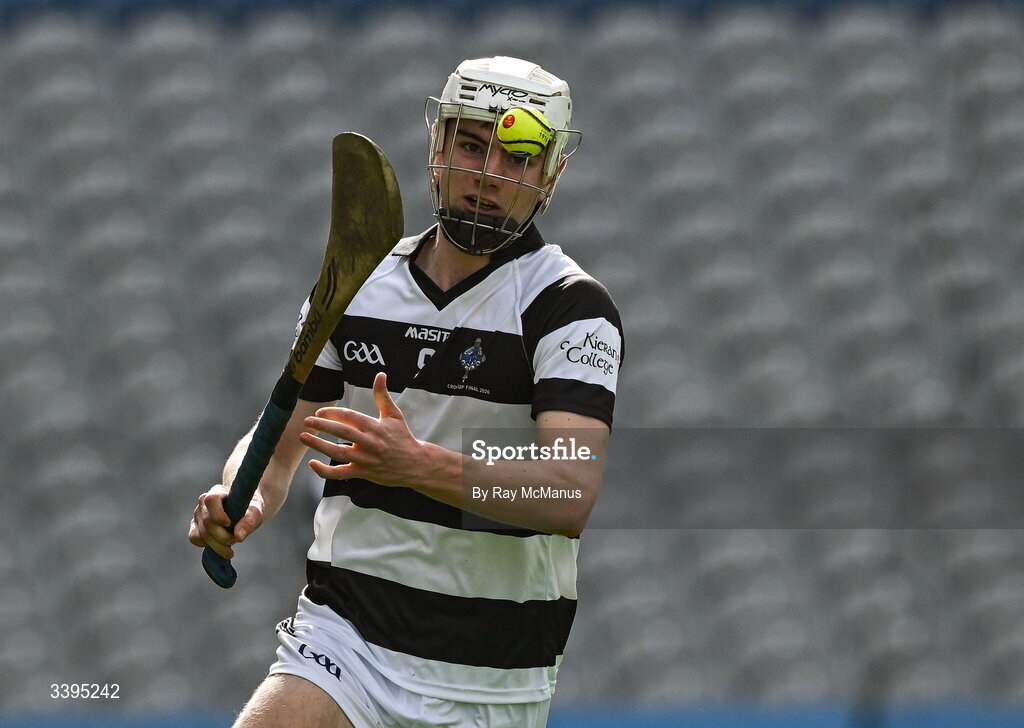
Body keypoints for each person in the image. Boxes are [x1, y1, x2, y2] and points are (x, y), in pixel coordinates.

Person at [189, 56, 624, 728]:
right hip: (343, 642)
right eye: (472, 146)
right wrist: (238, 496)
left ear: (550, 174)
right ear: (437, 145)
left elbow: (568, 492)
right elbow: (276, 450)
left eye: (516, 157)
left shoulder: (567, 307)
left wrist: (416, 465)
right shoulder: (359, 284)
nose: (487, 176)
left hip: (490, 678)